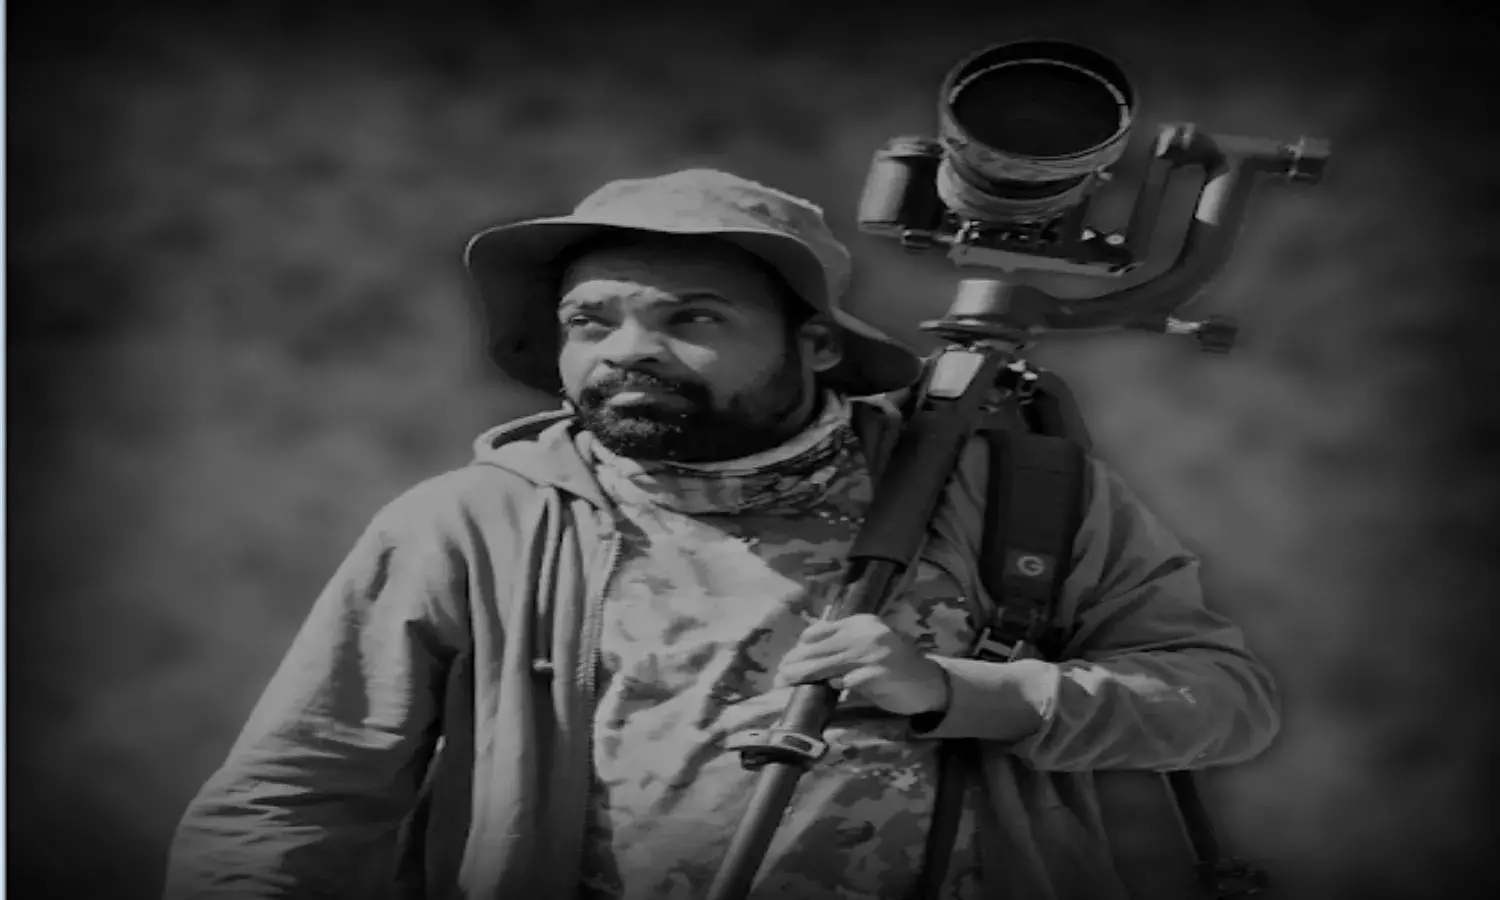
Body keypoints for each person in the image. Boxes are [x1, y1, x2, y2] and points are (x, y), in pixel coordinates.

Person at [162, 169, 1281, 900]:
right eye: (590, 321)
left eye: (691, 318)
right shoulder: (477, 523)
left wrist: (960, 692)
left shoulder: (1003, 494)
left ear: (818, 346)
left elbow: (1223, 702)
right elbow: (298, 794)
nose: (626, 352)